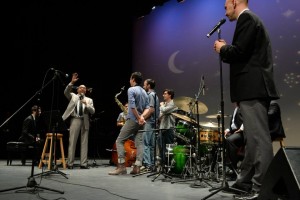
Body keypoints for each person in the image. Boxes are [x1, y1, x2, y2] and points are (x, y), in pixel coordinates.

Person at [214, 0, 279, 199]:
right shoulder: (251, 20)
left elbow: (239, 52)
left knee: (258, 141)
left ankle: (262, 190)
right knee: (252, 142)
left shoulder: (247, 19)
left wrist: (222, 48)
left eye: (226, 7)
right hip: (250, 90)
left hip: (253, 89)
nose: (225, 13)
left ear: (235, 2)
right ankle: (246, 183)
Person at [108, 72, 150, 175]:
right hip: (141, 121)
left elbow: (132, 106)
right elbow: (148, 108)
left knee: (119, 141)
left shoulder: (131, 89)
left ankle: (121, 166)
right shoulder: (144, 92)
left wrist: (138, 117)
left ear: (133, 79)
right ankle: (137, 167)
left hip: (132, 119)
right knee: (140, 143)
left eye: (130, 79)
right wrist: (142, 117)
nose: (129, 80)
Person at [62, 73, 95, 169]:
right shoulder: (73, 96)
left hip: (84, 120)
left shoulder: (89, 100)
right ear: (77, 89)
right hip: (75, 119)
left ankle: (83, 164)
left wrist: (87, 105)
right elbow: (66, 92)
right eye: (81, 87)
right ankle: (70, 163)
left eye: (84, 88)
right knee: (72, 141)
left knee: (84, 143)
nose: (83, 89)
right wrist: (72, 82)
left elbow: (93, 111)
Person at [141, 79, 160, 172]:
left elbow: (151, 110)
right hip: (153, 122)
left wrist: (142, 118)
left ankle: (147, 164)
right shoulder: (154, 95)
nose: (143, 86)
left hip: (149, 122)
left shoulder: (151, 95)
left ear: (148, 86)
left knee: (145, 144)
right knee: (151, 145)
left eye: (144, 85)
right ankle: (152, 164)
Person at [157, 89, 178, 168]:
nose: (163, 95)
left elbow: (164, 111)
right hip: (162, 128)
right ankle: (163, 166)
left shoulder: (174, 104)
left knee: (169, 149)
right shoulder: (165, 104)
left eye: (165, 94)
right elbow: (159, 116)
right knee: (161, 147)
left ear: (170, 95)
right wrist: (162, 108)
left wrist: (162, 106)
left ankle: (170, 166)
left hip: (169, 128)